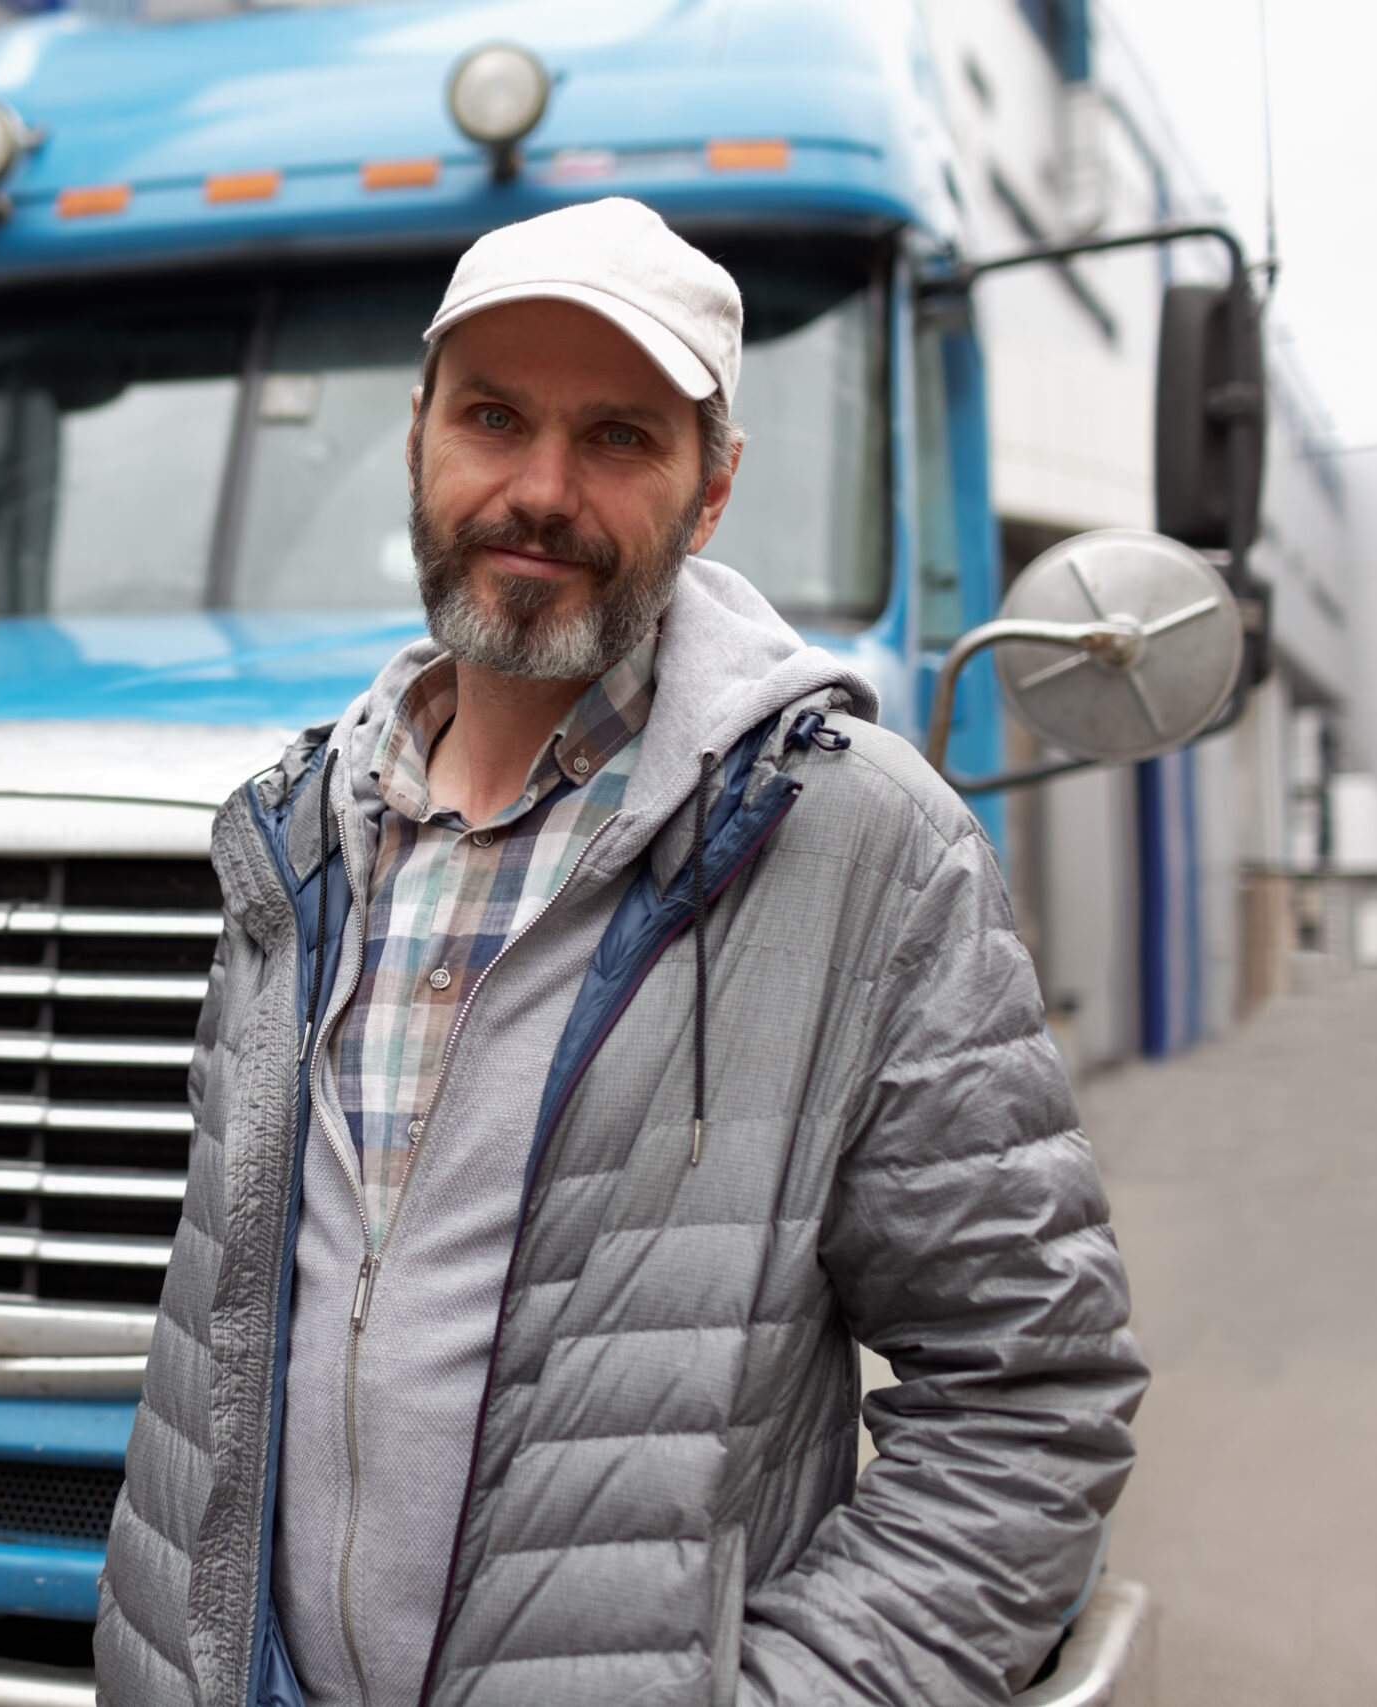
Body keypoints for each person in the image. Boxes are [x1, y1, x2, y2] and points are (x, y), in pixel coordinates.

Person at [94, 197, 1146, 1707]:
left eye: (621, 439)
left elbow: (1031, 1395)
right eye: (495, 417)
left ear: (710, 493)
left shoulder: (862, 845)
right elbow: (215, 1357)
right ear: (417, 441)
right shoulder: (295, 836)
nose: (540, 490)